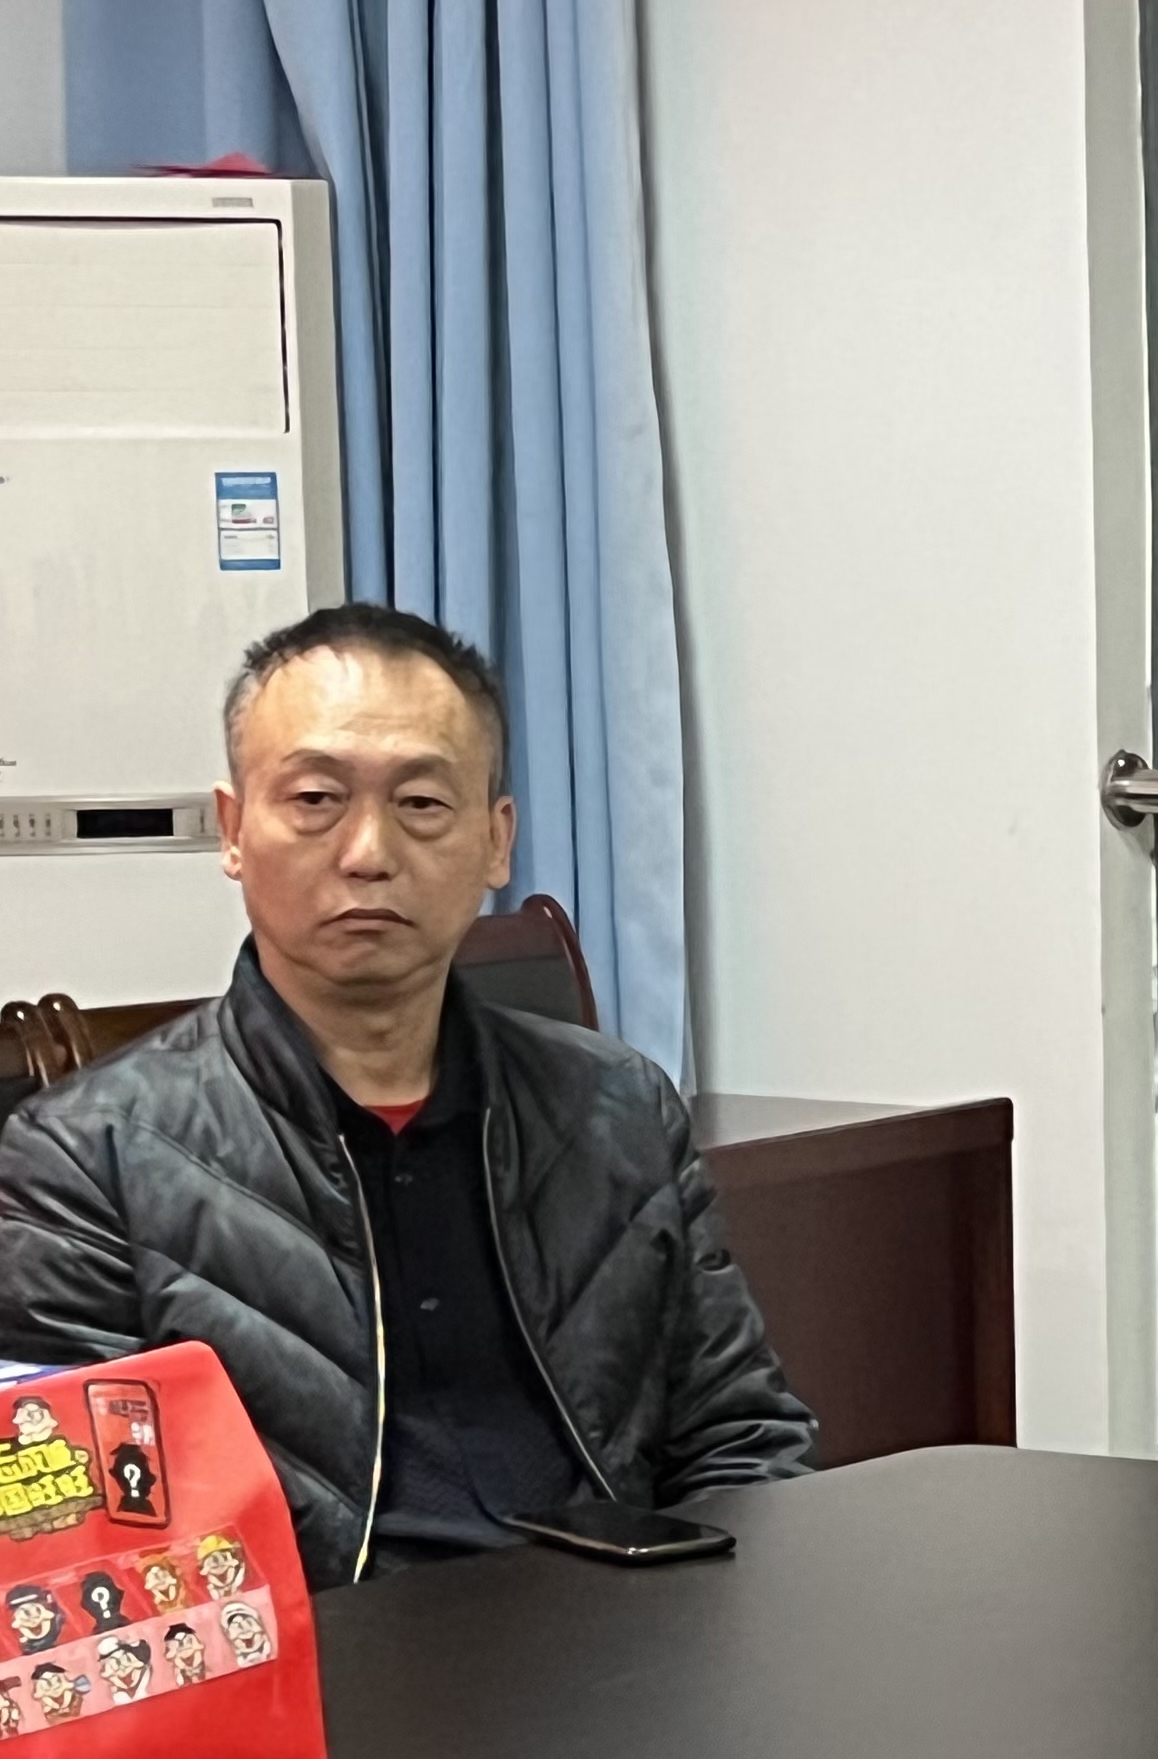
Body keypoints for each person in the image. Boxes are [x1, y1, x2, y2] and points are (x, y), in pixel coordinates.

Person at [0, 604, 812, 1586]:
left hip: (621, 1637)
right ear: (233, 830)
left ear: (496, 841)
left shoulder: (617, 1108)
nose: (368, 851)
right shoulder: (85, 1160)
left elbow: (742, 1437)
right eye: (315, 799)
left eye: (422, 802)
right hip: (319, 1664)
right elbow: (91, 1554)